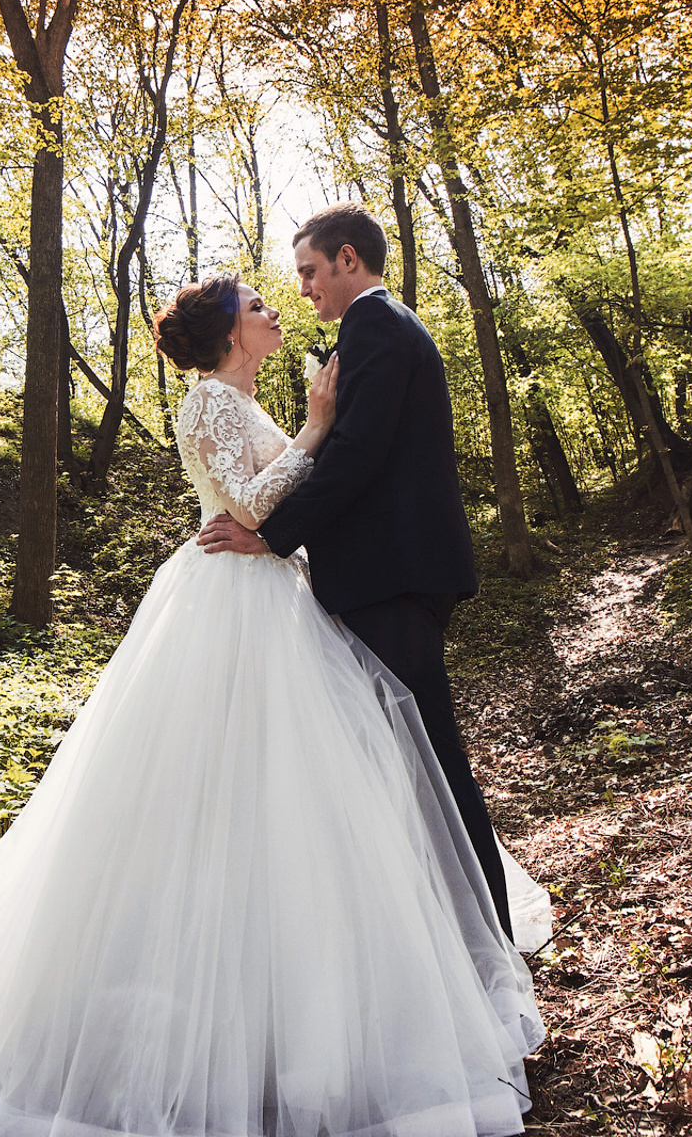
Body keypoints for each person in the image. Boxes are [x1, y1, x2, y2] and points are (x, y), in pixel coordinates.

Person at [0, 268, 546, 1137]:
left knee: (294, 789)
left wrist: (313, 441)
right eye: (257, 306)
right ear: (229, 333)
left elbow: (293, 495)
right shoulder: (207, 402)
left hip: (277, 597)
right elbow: (245, 507)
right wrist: (315, 425)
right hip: (229, 600)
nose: (274, 308)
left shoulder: (243, 401)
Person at [198, 203, 511, 940]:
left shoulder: (373, 325)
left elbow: (357, 456)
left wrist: (273, 538)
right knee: (403, 763)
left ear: (347, 259)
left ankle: (485, 937)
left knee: (430, 763)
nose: (303, 288)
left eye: (309, 271)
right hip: (391, 574)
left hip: (390, 577)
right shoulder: (383, 327)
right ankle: (440, 931)